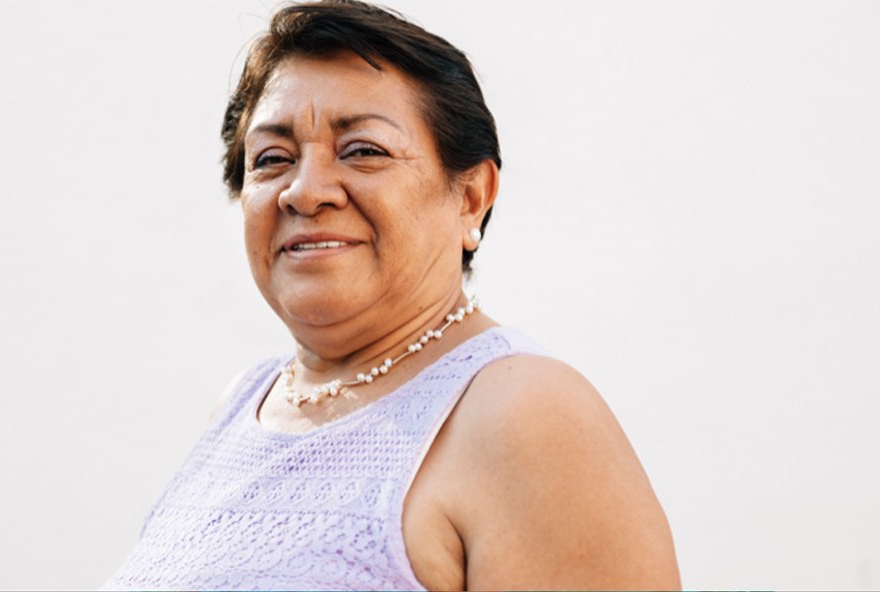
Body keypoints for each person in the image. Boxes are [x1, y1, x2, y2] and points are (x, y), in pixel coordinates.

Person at [103, 1, 681, 589]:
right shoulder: (242, 405)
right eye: (272, 160)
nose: (304, 192)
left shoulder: (521, 414)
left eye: (363, 150)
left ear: (471, 198)